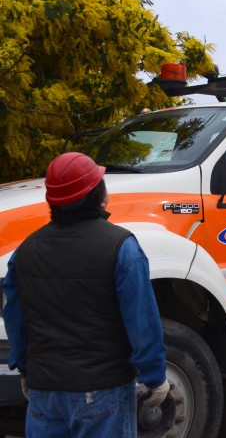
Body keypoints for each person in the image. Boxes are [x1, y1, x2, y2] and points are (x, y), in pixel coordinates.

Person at [2, 152, 169, 437]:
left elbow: (16, 320)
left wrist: (26, 368)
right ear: (97, 195)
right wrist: (155, 376)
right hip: (103, 393)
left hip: (45, 394)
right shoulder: (122, 247)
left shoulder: (25, 251)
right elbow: (142, 322)